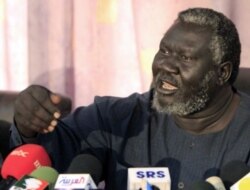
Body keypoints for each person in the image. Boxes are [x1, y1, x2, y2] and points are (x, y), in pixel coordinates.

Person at [10, 7, 250, 190]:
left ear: (222, 73)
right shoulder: (115, 118)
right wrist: (30, 123)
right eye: (164, 51)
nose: (166, 65)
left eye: (185, 58)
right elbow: (44, 160)